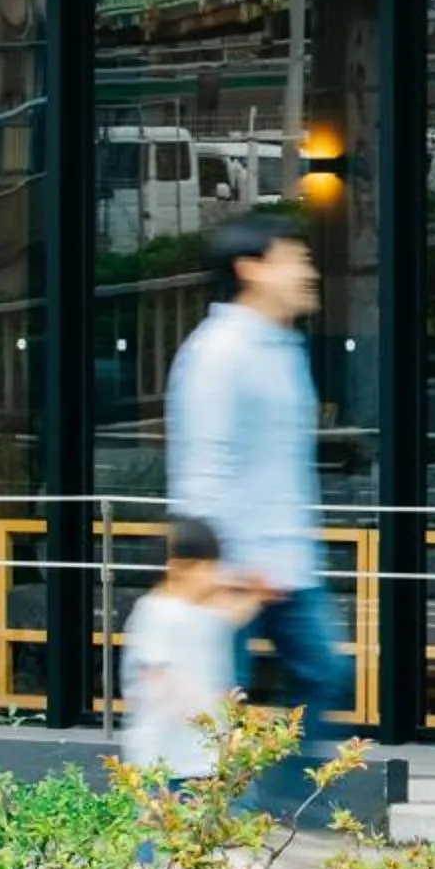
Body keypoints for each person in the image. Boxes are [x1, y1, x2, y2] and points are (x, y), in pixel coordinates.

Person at [165, 216, 339, 811]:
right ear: (251, 270)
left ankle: (280, 805)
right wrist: (214, 567)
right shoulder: (219, 353)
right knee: (215, 698)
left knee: (323, 671)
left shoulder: (284, 348)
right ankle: (209, 824)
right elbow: (205, 461)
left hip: (287, 562)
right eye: (295, 259)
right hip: (233, 566)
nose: (309, 272)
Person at [116, 517, 256, 791]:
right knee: (160, 832)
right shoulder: (155, 613)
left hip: (207, 762)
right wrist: (212, 705)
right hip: (163, 766)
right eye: (205, 570)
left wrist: (258, 594)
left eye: (215, 569)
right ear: (176, 568)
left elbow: (234, 614)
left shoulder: (204, 612)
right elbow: (159, 676)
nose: (213, 578)